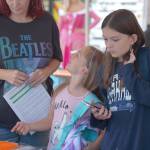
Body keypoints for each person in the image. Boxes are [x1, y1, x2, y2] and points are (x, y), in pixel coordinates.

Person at [11, 46, 104, 150]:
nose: (72, 55)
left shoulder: (92, 103)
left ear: (85, 70)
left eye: (78, 55)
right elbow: (50, 120)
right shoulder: (60, 90)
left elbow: (95, 136)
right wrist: (29, 126)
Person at [0, 0, 62, 148]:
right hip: (2, 118)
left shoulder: (47, 21)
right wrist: (4, 74)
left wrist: (46, 72)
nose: (15, 3)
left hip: (39, 117)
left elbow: (57, 58)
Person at [90, 9, 150, 150]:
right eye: (105, 39)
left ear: (133, 39)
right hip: (113, 144)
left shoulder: (146, 58)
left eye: (115, 39)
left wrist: (128, 71)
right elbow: (108, 108)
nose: (108, 45)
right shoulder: (106, 67)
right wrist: (99, 115)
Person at [59, 0, 100, 68]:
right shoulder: (64, 7)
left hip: (78, 38)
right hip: (64, 38)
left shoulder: (84, 7)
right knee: (64, 61)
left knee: (78, 59)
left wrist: (85, 29)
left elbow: (97, 19)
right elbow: (60, 25)